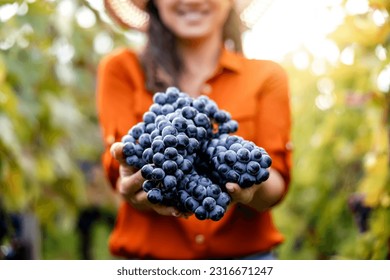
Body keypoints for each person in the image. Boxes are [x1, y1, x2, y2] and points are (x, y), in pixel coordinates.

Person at [96, 0, 292, 260]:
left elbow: (275, 180)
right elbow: (121, 163)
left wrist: (251, 186)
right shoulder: (121, 69)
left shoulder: (268, 75)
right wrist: (130, 182)